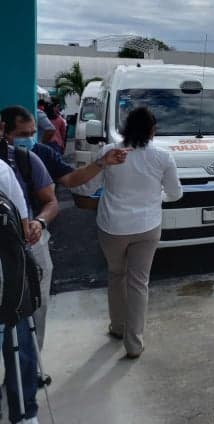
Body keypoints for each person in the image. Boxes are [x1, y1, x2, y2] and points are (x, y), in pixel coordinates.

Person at [1, 105, 127, 347]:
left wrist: (101, 163)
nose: (30, 139)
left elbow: (68, 182)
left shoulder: (36, 155)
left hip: (31, 241)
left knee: (35, 307)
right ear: (4, 131)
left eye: (33, 133)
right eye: (23, 134)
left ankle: (30, 363)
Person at [78, 107, 182, 358]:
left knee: (116, 275)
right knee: (138, 283)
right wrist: (158, 197)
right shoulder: (163, 157)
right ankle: (134, 343)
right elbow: (176, 193)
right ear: (152, 131)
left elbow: (87, 187)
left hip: (112, 227)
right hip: (147, 227)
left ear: (126, 128)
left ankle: (118, 327)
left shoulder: (108, 152)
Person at [0, 159, 38, 424]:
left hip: (8, 283)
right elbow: (23, 228)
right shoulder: (2, 170)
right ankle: (25, 413)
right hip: (9, 283)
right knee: (19, 347)